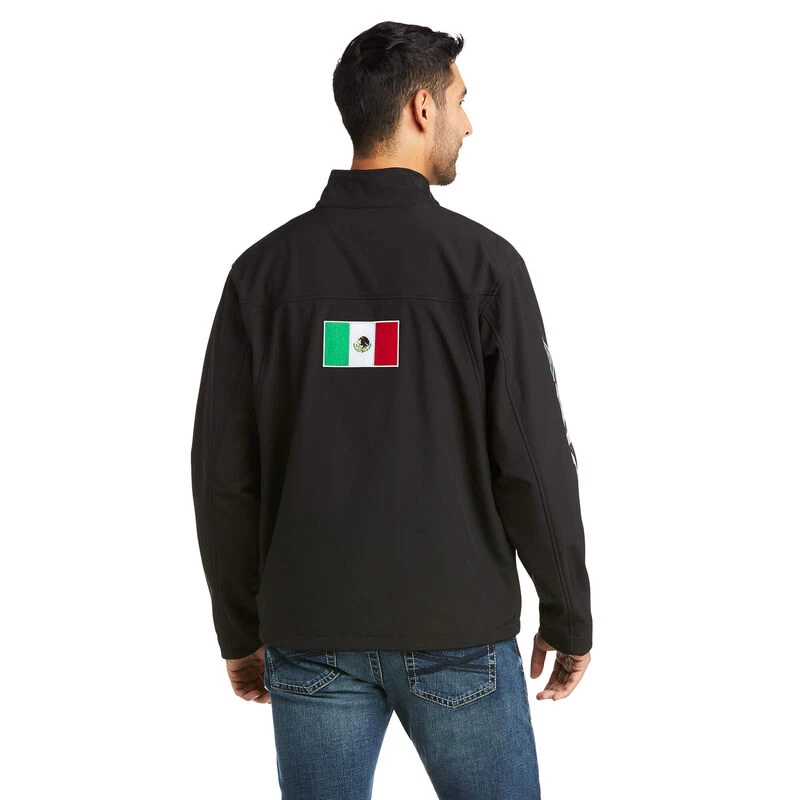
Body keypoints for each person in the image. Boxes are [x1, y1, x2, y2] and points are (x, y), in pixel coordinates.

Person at [191, 20, 593, 800]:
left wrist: (238, 630)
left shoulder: (261, 275)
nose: (469, 124)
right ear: (421, 107)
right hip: (458, 633)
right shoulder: (485, 267)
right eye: (461, 101)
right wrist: (568, 612)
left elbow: (222, 475)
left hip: (311, 633)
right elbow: (535, 458)